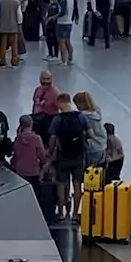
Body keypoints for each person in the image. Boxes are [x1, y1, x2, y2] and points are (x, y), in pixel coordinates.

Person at [48, 93, 91, 221]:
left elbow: (53, 138)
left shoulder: (58, 119)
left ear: (61, 103)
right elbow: (91, 134)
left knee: (61, 184)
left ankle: (61, 212)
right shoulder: (81, 117)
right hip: (78, 156)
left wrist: (51, 151)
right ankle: (75, 213)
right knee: (77, 185)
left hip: (63, 156)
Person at [0, 0, 23, 67]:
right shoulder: (17, 2)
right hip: (13, 26)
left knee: (2, 45)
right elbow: (19, 15)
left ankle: (2, 60)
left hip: (3, 26)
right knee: (14, 45)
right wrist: (19, 24)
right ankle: (14, 61)